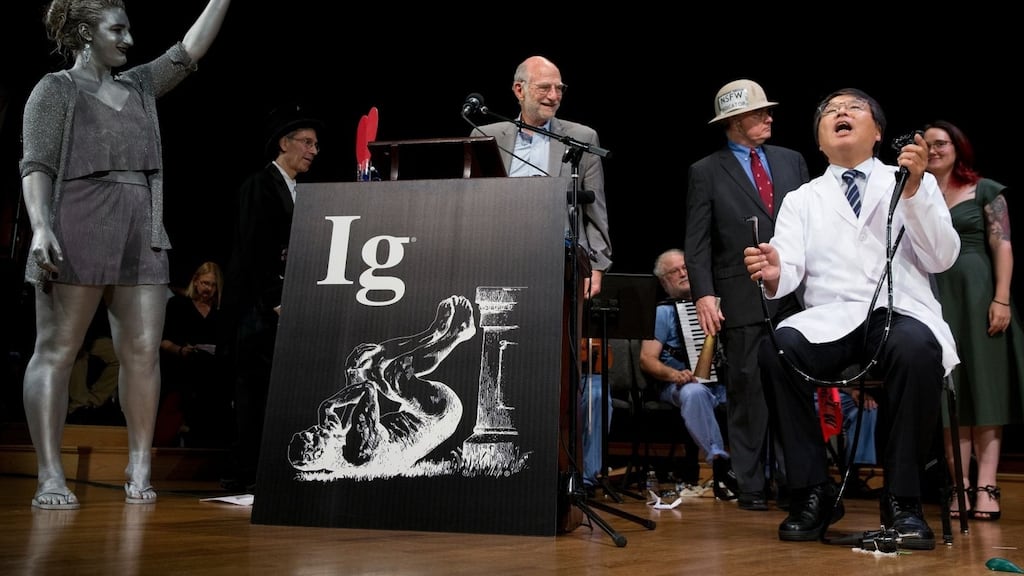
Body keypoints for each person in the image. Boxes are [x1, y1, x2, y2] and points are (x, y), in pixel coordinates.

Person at [19, 0, 230, 510]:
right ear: (85, 34)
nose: (129, 40)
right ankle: (50, 474)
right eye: (117, 30)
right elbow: (37, 165)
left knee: (142, 352)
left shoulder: (138, 86)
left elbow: (188, 51)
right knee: (57, 350)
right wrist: (41, 226)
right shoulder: (54, 89)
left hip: (141, 225)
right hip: (77, 221)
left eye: (128, 30)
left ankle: (140, 463)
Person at [744, 88, 960, 550]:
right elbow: (788, 267)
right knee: (776, 349)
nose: (841, 112)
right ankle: (812, 490)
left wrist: (915, 193)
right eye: (830, 111)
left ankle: (902, 499)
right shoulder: (802, 198)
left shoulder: (911, 181)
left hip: (899, 311)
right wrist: (775, 271)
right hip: (831, 316)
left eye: (854, 108)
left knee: (916, 348)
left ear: (878, 132)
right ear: (820, 141)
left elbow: (941, 257)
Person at [685, 79, 809, 511]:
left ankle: (798, 483)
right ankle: (752, 485)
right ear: (736, 121)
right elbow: (697, 243)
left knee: (794, 391)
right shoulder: (706, 171)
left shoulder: (791, 161)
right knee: (748, 394)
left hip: (793, 295)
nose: (769, 118)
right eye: (760, 113)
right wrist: (704, 294)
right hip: (741, 297)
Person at [220, 103, 324, 492]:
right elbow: (252, 250)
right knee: (251, 394)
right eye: (307, 142)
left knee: (272, 394)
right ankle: (242, 476)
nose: (313, 150)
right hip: (257, 310)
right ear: (284, 143)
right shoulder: (259, 185)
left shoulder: (302, 192)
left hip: (281, 307)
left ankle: (266, 474)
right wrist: (273, 300)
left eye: (316, 145)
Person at [925, 119, 1024, 521]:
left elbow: (1002, 246)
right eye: (927, 145)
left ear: (957, 147)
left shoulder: (984, 190)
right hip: (936, 298)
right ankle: (959, 487)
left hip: (980, 296)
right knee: (951, 395)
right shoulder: (918, 194)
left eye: (941, 143)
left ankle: (986, 486)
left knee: (985, 391)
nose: (933, 150)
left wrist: (1001, 298)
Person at [472, 55, 612, 299]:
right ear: (520, 90)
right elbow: (474, 204)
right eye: (545, 88)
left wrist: (597, 264)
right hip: (497, 255)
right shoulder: (485, 136)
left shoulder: (582, 138)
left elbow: (595, 208)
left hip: (560, 261)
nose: (554, 96)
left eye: (559, 88)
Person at [639, 249, 738, 501]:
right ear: (664, 282)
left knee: (756, 391)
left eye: (686, 268)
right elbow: (647, 359)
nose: (683, 273)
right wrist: (675, 374)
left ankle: (765, 473)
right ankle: (720, 462)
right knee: (694, 392)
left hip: (721, 385)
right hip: (678, 386)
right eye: (675, 271)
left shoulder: (718, 305)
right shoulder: (663, 312)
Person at [158, 261, 228, 448]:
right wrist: (181, 350)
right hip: (181, 366)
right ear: (196, 281)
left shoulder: (220, 312)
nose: (208, 289)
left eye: (213, 285)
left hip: (211, 371)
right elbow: (163, 341)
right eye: (205, 283)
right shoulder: (178, 305)